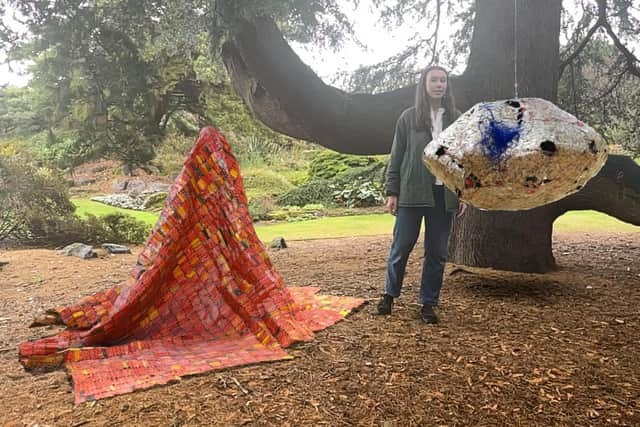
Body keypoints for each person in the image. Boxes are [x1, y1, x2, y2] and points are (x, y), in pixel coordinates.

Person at [377, 65, 462, 324]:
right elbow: (397, 156)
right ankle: (389, 295)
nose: (439, 84)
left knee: (437, 252)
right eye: (434, 80)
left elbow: (462, 160)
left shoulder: (456, 119)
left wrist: (462, 193)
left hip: (443, 196)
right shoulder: (409, 118)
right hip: (412, 194)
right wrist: (393, 191)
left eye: (443, 80)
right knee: (401, 247)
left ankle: (428, 303)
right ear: (424, 85)